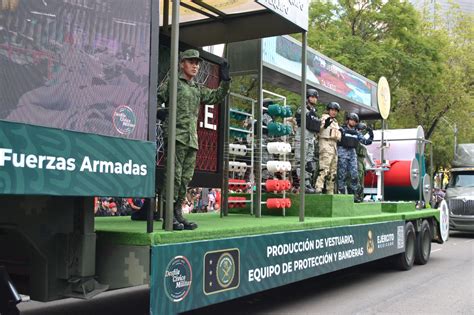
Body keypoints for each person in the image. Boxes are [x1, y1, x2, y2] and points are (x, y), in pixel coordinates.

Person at [157, 49, 231, 230]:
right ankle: (168, 216)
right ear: (182, 63)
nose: (195, 65)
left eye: (197, 63)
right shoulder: (173, 83)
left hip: (191, 139)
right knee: (173, 177)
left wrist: (226, 81)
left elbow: (216, 97)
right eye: (191, 62)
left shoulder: (196, 88)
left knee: (185, 179)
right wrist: (162, 111)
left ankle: (177, 214)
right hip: (175, 136)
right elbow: (157, 98)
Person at [337, 113, 373, 202]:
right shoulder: (342, 129)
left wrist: (371, 134)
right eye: (352, 120)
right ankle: (341, 194)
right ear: (348, 120)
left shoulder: (356, 133)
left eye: (355, 121)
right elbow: (336, 139)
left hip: (352, 155)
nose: (353, 122)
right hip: (343, 154)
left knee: (354, 175)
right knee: (342, 175)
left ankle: (353, 195)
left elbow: (365, 141)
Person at [293, 88, 321, 193]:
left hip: (310, 139)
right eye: (312, 97)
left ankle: (308, 184)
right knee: (301, 161)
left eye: (315, 97)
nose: (314, 99)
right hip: (302, 138)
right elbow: (300, 118)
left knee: (309, 163)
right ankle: (302, 184)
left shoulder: (314, 112)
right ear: (308, 97)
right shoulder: (302, 109)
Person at [315, 102, 341, 194]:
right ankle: (319, 187)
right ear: (329, 110)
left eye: (335, 111)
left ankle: (330, 190)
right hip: (325, 144)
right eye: (332, 110)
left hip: (334, 146)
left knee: (333, 171)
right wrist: (324, 125)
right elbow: (318, 130)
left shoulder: (335, 122)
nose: (334, 112)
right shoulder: (324, 118)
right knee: (324, 168)